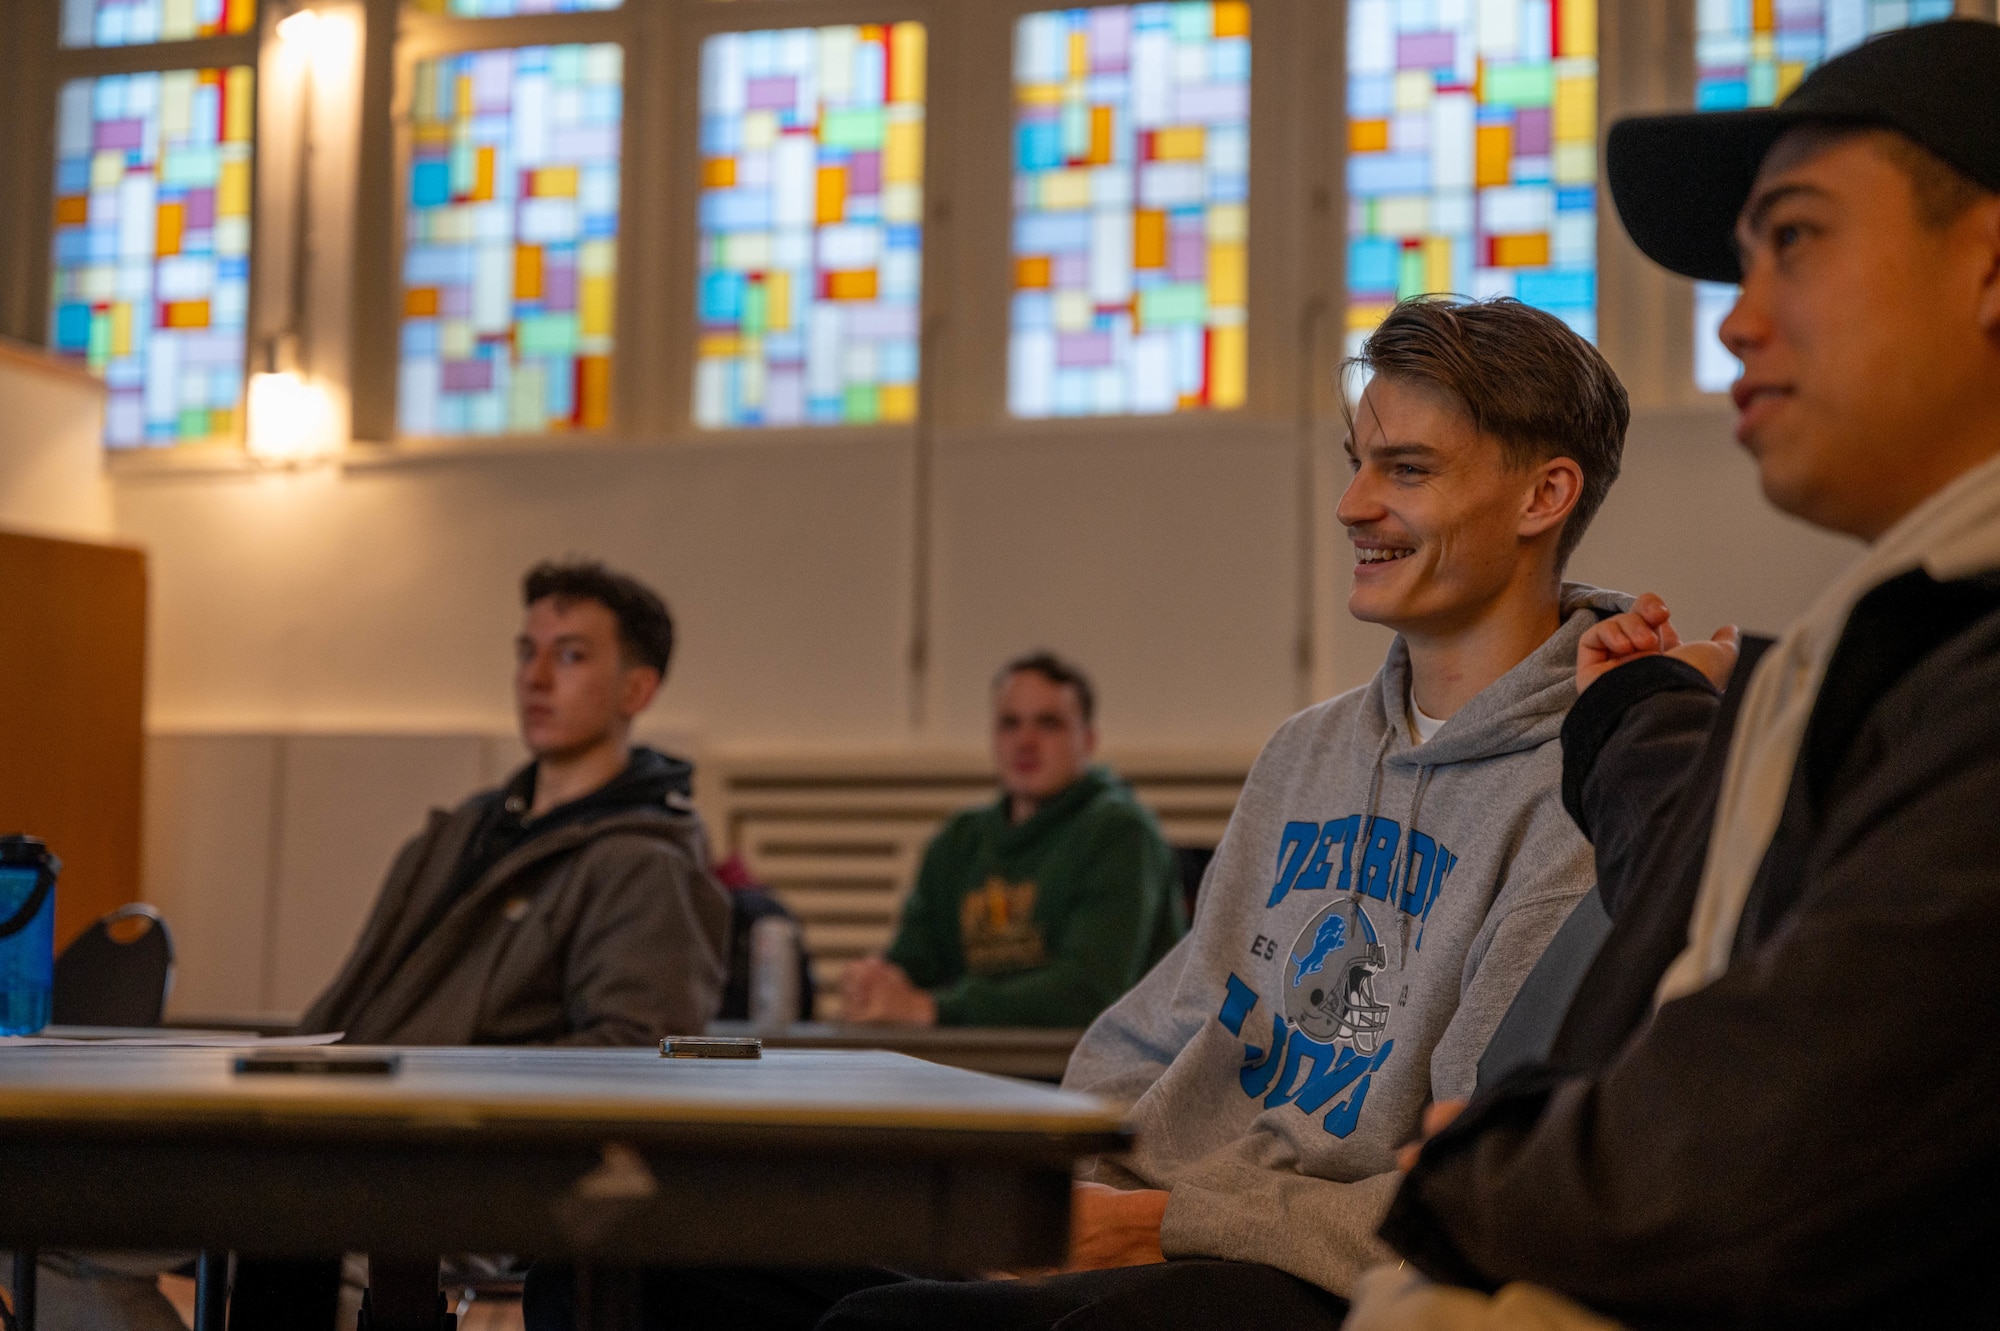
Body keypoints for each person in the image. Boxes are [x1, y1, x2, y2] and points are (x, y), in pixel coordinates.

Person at [699, 293, 1632, 1331]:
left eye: (1404, 469)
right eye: (1353, 460)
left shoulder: (1595, 773)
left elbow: (1479, 1177)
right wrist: (1049, 1195)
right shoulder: (1305, 751)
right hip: (1151, 1212)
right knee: (677, 1261)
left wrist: (1157, 1223)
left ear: (1543, 494)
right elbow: (1154, 1032)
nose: (1350, 504)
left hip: (1301, 1267)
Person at [1366, 20, 2000, 1330]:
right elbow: (1732, 882)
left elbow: (1775, 1124)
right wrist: (1639, 706)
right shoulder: (1891, 647)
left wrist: (1473, 1167)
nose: (1738, 319)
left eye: (1798, 238)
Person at [298, 558, 730, 1045]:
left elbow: (633, 1058)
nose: (535, 678)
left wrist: (446, 1093)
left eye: (570, 656)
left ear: (636, 690)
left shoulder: (645, 867)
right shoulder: (460, 834)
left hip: (455, 1117)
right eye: (527, 653)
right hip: (351, 1106)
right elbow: (352, 1007)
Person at [839, 652, 1184, 1028]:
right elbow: (914, 963)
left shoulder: (1121, 833)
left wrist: (934, 1009)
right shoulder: (958, 840)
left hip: (1087, 1075)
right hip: (976, 1069)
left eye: (1048, 724)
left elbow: (1088, 993)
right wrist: (876, 983)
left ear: (1088, 740)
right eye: (1009, 724)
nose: (1025, 741)